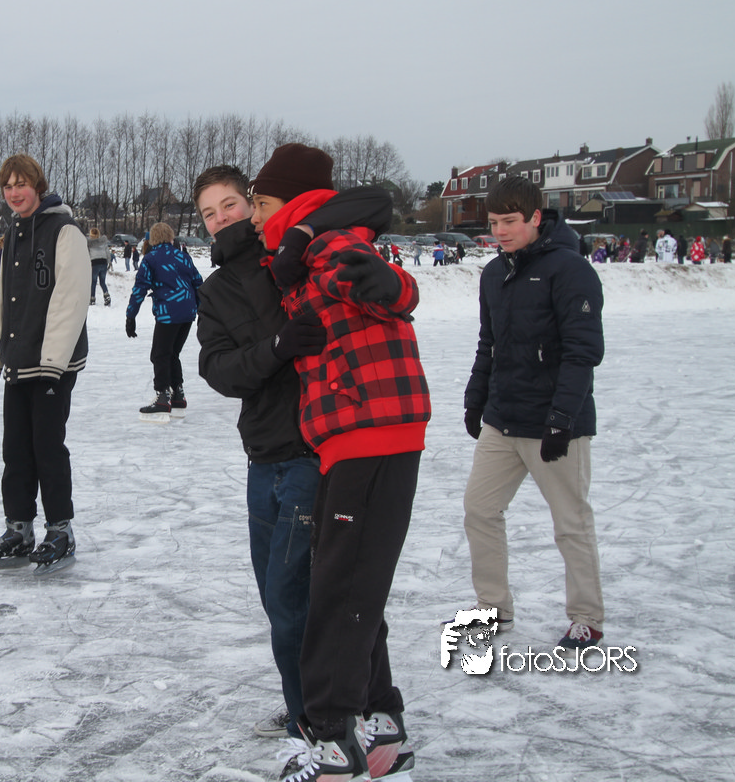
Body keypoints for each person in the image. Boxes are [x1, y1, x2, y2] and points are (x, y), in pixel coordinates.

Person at [250, 143, 427, 781]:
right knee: (350, 582)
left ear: (293, 203)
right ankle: (381, 721)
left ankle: (332, 743)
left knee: (339, 592)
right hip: (352, 432)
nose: (251, 216)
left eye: (260, 204)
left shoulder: (326, 246)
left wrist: (394, 285)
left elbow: (390, 290)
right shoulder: (299, 252)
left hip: (371, 428)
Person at [194, 164, 322, 742]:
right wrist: (274, 348)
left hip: (311, 451)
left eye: (229, 205)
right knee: (278, 596)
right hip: (263, 455)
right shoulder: (216, 289)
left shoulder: (288, 260)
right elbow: (220, 370)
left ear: (252, 204)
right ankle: (305, 707)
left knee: (297, 594)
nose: (221, 219)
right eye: (209, 213)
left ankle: (319, 720)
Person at [459, 175, 605, 655]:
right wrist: (476, 398)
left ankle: (586, 619)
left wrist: (562, 419)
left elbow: (582, 353)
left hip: (554, 423)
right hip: (503, 418)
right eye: (493, 222)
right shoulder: (493, 274)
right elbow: (489, 343)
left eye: (509, 221)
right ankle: (493, 608)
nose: (499, 231)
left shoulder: (570, 270)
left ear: (536, 218)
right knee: (480, 510)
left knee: (570, 521)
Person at [0, 154, 89, 571]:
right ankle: (19, 528)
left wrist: (52, 362)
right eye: (7, 186)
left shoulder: (64, 231)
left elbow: (70, 300)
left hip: (51, 362)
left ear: (37, 186)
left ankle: (61, 529)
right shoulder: (13, 234)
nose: (14, 193)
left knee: (47, 448)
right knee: (16, 449)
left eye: (21, 184)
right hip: (19, 359)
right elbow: (5, 303)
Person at [125, 222, 202, 416]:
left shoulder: (151, 259)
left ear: (153, 238)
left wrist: (131, 316)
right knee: (172, 353)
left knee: (160, 354)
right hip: (188, 312)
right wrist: (202, 310)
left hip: (169, 312)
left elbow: (140, 288)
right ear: (170, 237)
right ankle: (177, 394)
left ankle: (162, 397)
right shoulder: (183, 256)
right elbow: (198, 283)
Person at [87, 227, 112, 306]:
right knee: (102, 282)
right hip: (103, 262)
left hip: (94, 263)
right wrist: (109, 262)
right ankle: (106, 295)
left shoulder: (89, 243)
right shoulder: (103, 241)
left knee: (93, 282)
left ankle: (92, 298)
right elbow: (107, 252)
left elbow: (87, 254)